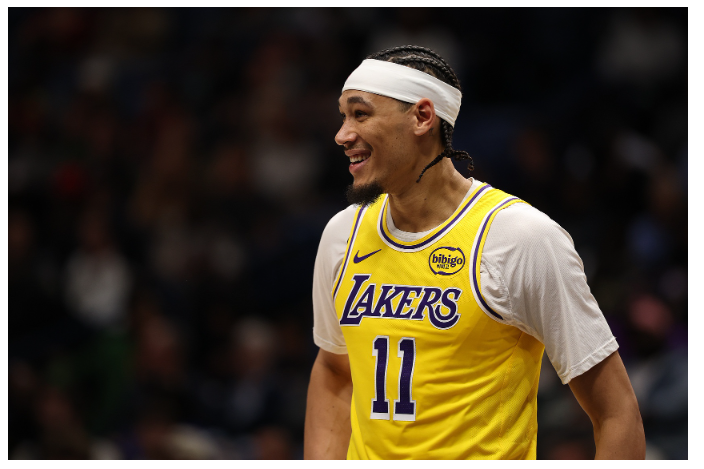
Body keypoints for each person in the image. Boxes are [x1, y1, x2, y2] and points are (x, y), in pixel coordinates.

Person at [304, 45, 645, 460]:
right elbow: (335, 370)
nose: (342, 135)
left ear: (422, 117)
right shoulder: (343, 233)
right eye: (342, 116)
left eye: (360, 114)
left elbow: (616, 413)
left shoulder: (520, 238)